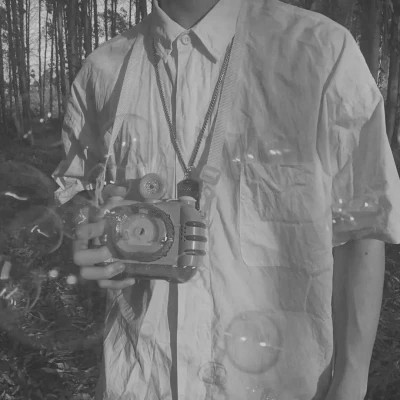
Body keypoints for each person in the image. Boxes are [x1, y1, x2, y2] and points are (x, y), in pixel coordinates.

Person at [53, 0, 400, 399]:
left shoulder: (322, 52)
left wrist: (351, 382)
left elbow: (363, 226)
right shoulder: (102, 72)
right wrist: (89, 232)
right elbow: (79, 200)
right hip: (139, 378)